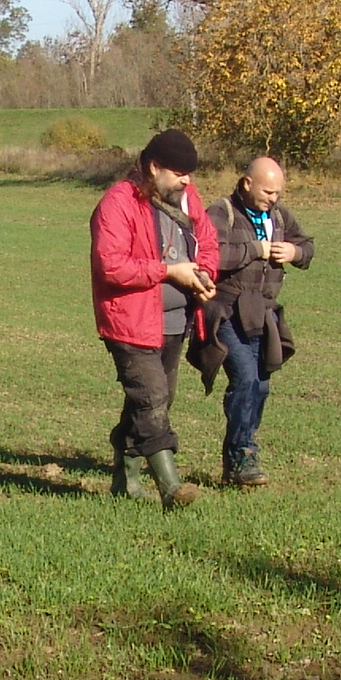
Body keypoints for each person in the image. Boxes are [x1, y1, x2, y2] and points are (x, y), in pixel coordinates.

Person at [88, 128, 217, 510]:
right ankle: (171, 488)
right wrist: (168, 272)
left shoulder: (188, 198)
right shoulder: (117, 203)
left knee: (154, 400)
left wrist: (204, 274)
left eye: (190, 174)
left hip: (176, 320)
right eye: (179, 173)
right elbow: (112, 266)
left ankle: (124, 484)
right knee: (151, 398)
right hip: (129, 321)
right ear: (154, 167)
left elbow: (208, 242)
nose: (187, 181)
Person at [194, 154, 313, 487]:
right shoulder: (222, 213)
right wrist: (256, 249)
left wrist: (295, 253)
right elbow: (212, 254)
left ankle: (242, 456)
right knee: (245, 378)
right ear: (247, 184)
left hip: (263, 314)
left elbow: (308, 246)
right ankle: (240, 455)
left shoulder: (279, 216)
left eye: (278, 193)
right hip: (226, 312)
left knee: (260, 385)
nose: (273, 199)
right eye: (267, 192)